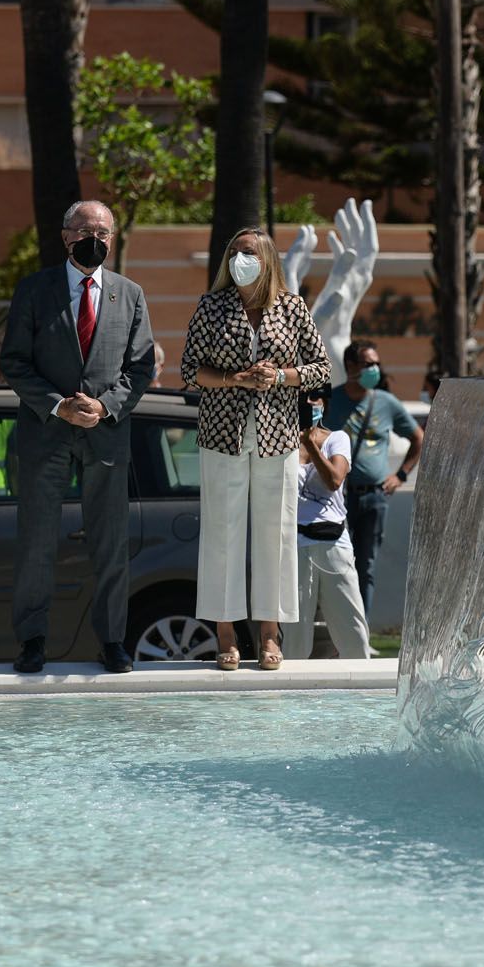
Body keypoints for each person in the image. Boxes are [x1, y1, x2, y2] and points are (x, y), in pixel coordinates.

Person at [0, 199, 158, 675]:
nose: (97, 240)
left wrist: (105, 406)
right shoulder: (34, 290)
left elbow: (141, 365)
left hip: (105, 436)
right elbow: (14, 362)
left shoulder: (130, 294)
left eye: (105, 233)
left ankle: (111, 641)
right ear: (67, 236)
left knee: (110, 543)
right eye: (88, 231)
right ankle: (31, 640)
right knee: (37, 543)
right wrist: (57, 403)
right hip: (47, 433)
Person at [181, 227, 331, 672]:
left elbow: (321, 368)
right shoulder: (212, 306)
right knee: (222, 534)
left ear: (267, 260)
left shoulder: (292, 307)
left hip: (277, 436)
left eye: (247, 252)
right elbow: (191, 371)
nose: (239, 258)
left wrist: (281, 376)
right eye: (234, 251)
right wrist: (235, 379)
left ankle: (269, 636)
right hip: (221, 434)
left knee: (277, 536)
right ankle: (226, 636)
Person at [322, 338, 422, 618]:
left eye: (377, 364)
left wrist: (401, 475)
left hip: (374, 497)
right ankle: (336, 632)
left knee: (365, 566)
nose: (375, 370)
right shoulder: (331, 400)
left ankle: (360, 634)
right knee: (335, 564)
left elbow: (418, 438)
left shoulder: (386, 403)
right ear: (351, 366)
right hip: (335, 497)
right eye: (368, 364)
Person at [281, 391, 371, 662]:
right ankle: (290, 701)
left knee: (353, 632)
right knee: (295, 640)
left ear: (325, 404)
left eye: (315, 398)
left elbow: (334, 480)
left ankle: (360, 701)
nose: (309, 403)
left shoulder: (337, 438)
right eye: (302, 398)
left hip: (334, 543)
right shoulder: (281, 443)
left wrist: (311, 445)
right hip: (295, 546)